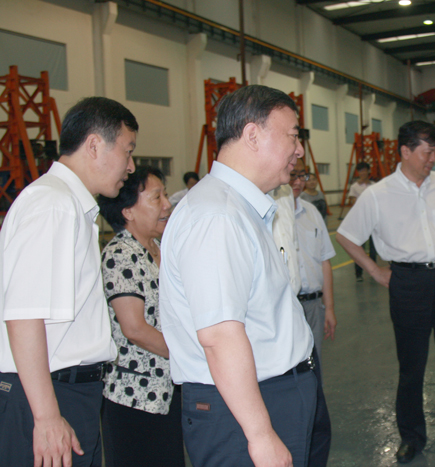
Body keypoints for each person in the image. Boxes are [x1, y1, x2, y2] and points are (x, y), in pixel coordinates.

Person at [159, 84, 316, 467]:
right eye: (293, 136)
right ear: (252, 135)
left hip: (264, 395)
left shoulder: (238, 208)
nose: (299, 150)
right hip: (244, 410)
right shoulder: (217, 217)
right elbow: (219, 337)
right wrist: (260, 435)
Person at [336, 121, 435, 464]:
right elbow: (346, 235)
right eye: (427, 152)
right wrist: (375, 270)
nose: (433, 159)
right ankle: (411, 437)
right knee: (412, 366)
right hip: (408, 282)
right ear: (405, 152)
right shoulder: (378, 194)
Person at [0, 96, 137, 467]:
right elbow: (23, 316)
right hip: (46, 395)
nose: (130, 166)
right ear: (94, 145)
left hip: (62, 392)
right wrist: (46, 416)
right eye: (127, 151)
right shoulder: (54, 205)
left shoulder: (69, 205)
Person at [97, 166, 185, 467]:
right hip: (135, 397)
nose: (167, 205)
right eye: (157, 197)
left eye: (165, 195)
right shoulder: (121, 254)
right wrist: (188, 355)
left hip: (168, 391)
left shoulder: (160, 249)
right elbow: (134, 328)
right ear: (128, 211)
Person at [289, 158, 336, 467]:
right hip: (288, 308)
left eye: (302, 175)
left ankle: (313, 432)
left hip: (314, 306)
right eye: (292, 175)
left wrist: (329, 307)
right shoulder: (269, 214)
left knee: (313, 371)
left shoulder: (311, 212)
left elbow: (325, 260)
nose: (298, 181)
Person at [347, 162, 377, 282]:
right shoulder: (354, 187)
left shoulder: (374, 185)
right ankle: (358, 273)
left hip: (373, 221)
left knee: (373, 250)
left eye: (365, 170)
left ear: (368, 171)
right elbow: (353, 203)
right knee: (360, 249)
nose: (363, 173)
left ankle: (374, 272)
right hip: (360, 222)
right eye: (360, 171)